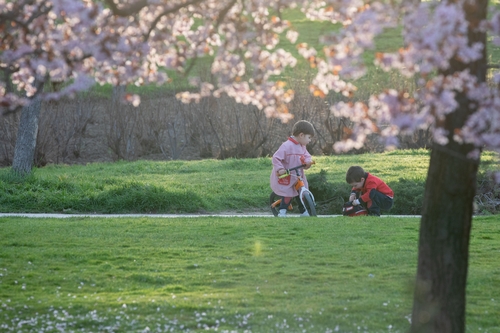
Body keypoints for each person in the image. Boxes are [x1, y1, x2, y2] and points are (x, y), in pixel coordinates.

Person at [270, 120, 315, 217]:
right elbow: (276, 158)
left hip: (298, 175)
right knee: (288, 193)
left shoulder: (302, 146)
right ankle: (282, 211)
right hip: (287, 175)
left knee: (301, 191)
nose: (310, 140)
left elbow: (307, 156)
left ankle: (303, 211)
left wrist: (308, 162)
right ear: (301, 135)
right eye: (309, 137)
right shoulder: (286, 146)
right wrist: (280, 169)